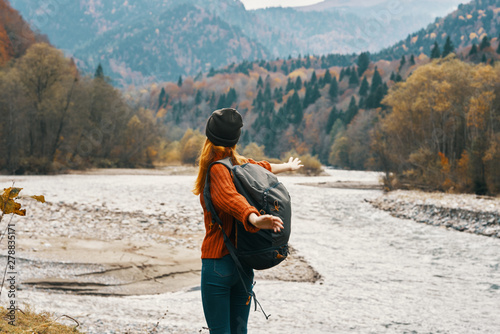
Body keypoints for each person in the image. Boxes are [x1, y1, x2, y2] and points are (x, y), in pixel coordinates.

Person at [192, 108, 303, 334]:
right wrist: (288, 167)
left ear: (209, 136)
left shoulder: (217, 170)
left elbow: (231, 200)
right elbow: (264, 168)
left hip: (218, 265)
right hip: (243, 265)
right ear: (235, 139)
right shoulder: (240, 164)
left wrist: (254, 218)